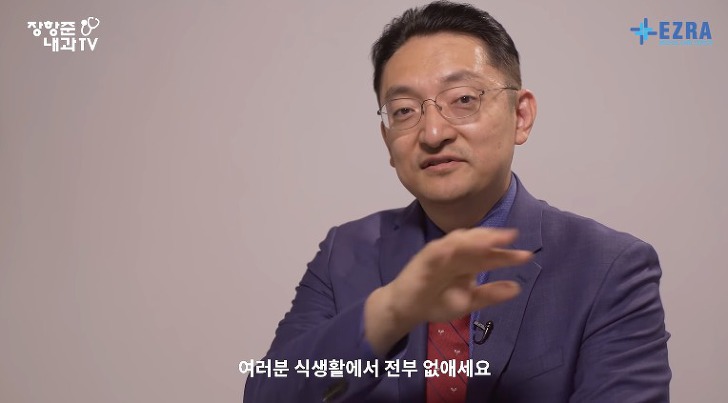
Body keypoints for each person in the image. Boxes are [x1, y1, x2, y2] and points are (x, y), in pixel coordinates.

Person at [243, 1, 671, 402]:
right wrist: (390, 312)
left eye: (463, 100)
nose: (433, 133)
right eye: (404, 110)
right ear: (387, 140)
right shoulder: (345, 251)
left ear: (521, 116)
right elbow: (265, 393)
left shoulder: (610, 267)